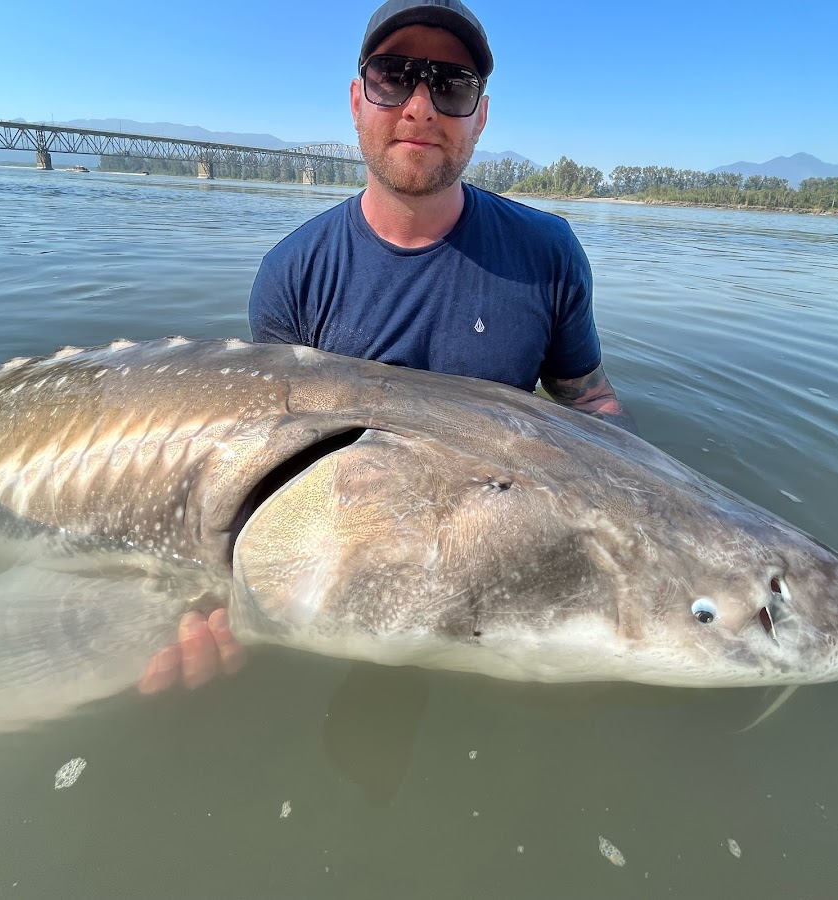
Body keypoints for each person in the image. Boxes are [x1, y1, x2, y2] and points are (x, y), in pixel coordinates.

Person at [142, 0, 634, 693]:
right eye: (394, 76)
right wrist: (216, 592)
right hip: (354, 570)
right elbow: (265, 462)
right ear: (357, 100)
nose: (420, 107)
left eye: (452, 85)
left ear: (481, 115)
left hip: (488, 560)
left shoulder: (547, 254)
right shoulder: (293, 272)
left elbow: (590, 398)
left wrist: (647, 513)